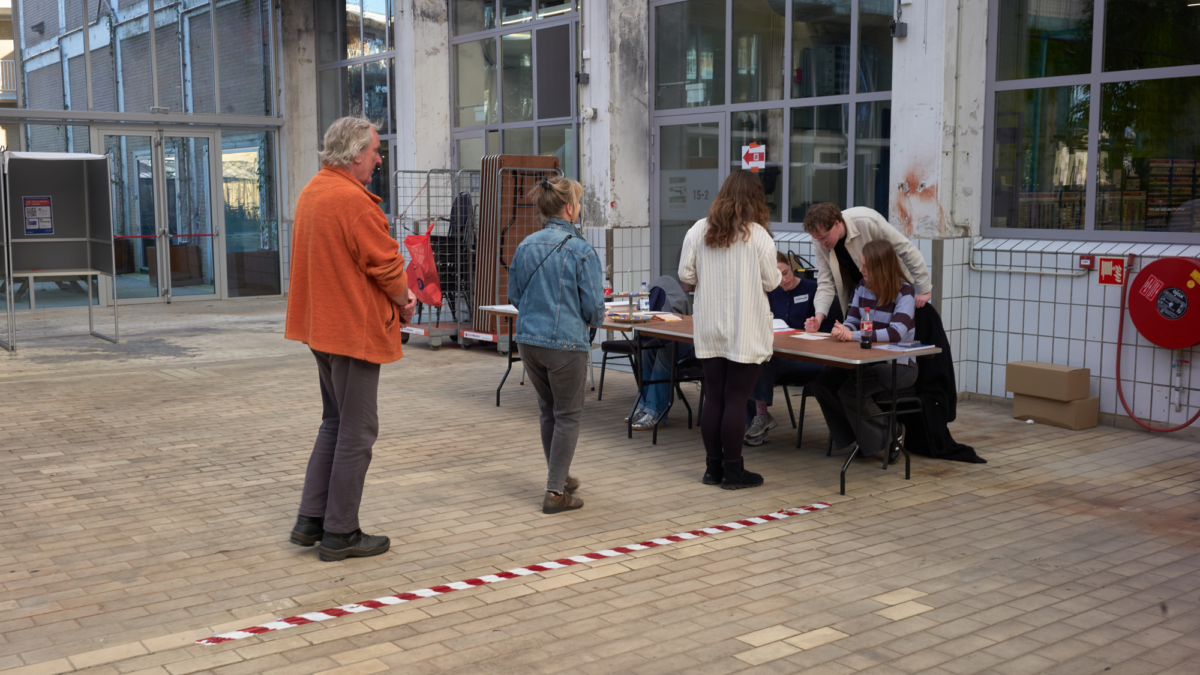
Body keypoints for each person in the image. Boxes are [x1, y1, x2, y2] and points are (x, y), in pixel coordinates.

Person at [285, 117, 416, 562]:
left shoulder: (313, 192)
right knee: (358, 432)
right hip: (351, 331)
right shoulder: (354, 203)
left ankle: (310, 521)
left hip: (321, 329)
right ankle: (340, 532)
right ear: (356, 153)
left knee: (334, 423)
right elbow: (386, 266)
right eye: (376, 150)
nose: (380, 159)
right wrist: (405, 301)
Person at [678, 171, 781, 490]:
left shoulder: (698, 230)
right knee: (737, 399)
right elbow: (772, 282)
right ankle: (734, 472)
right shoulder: (759, 236)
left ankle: (713, 469)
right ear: (756, 199)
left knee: (715, 398)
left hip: (709, 327)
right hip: (746, 329)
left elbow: (685, 278)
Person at [508, 176, 605, 514]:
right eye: (578, 203)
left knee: (548, 411)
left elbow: (515, 296)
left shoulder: (525, 245)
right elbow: (594, 308)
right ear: (569, 208)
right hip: (565, 344)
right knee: (567, 416)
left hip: (528, 342)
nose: (579, 208)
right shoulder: (582, 250)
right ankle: (554, 492)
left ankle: (559, 478)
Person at [814, 240, 918, 460]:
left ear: (882, 267)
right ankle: (859, 436)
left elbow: (896, 333)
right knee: (822, 384)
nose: (861, 270)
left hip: (899, 365)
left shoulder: (905, 292)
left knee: (852, 391)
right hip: (865, 361)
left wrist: (853, 335)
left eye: (866, 266)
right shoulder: (863, 285)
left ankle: (893, 432)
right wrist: (844, 329)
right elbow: (852, 319)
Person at [743, 252, 837, 446]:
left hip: (813, 357)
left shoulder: (816, 290)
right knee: (746, 363)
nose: (784, 280)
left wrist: (815, 326)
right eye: (777, 277)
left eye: (785, 272)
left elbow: (833, 329)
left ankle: (760, 419)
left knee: (761, 362)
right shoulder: (769, 293)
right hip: (782, 355)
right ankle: (756, 421)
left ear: (790, 266)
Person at [801, 203, 931, 333]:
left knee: (900, 333)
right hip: (863, 290)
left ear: (836, 223)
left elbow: (906, 249)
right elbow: (825, 281)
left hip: (894, 286)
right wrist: (818, 319)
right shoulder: (819, 240)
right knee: (866, 334)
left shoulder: (866, 220)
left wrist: (924, 289)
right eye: (817, 239)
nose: (822, 244)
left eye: (824, 238)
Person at [629, 275, 693, 431]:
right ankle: (644, 405)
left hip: (702, 343)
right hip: (690, 335)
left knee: (664, 354)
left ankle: (656, 412)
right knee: (647, 351)